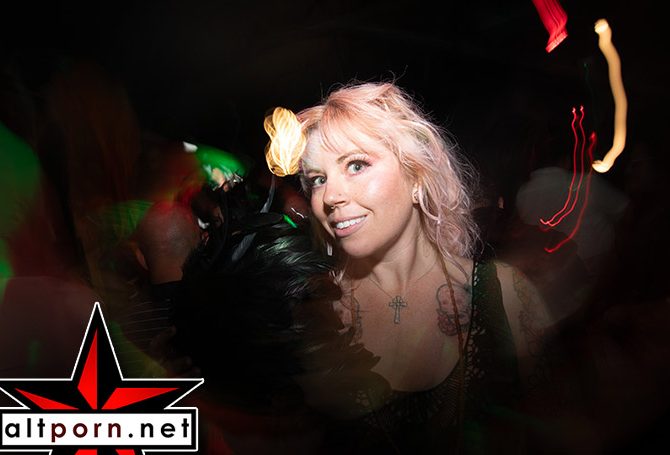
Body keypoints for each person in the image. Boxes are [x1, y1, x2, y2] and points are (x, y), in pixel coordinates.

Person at [282, 81, 556, 453]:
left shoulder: (506, 295)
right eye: (318, 179)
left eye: (356, 165)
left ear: (416, 177)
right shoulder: (312, 311)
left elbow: (557, 429)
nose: (329, 197)